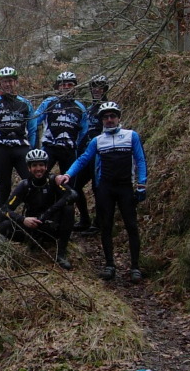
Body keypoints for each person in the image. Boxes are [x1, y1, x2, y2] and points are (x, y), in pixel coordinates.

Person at [56, 102, 147, 283]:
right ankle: (109, 265)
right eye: (106, 117)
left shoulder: (131, 136)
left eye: (112, 116)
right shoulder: (97, 140)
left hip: (125, 187)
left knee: (131, 226)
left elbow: (140, 160)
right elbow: (83, 160)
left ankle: (135, 267)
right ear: (102, 120)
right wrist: (68, 174)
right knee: (106, 226)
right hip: (105, 188)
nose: (110, 120)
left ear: (118, 118)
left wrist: (142, 184)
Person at [0, 149, 77, 270]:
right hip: (32, 226)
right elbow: (4, 210)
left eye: (41, 165)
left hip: (51, 226)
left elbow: (72, 194)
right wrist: (23, 219)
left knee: (69, 209)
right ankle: (33, 242)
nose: (38, 169)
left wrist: (48, 213)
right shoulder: (24, 185)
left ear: (46, 166)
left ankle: (61, 253)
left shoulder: (53, 181)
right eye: (34, 165)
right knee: (4, 225)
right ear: (29, 168)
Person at [33, 71, 88, 225]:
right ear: (58, 87)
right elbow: (35, 122)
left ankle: (83, 219)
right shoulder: (49, 102)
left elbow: (84, 132)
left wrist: (79, 150)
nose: (66, 87)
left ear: (74, 87)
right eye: (63, 84)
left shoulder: (80, 108)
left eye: (69, 84)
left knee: (73, 186)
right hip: (49, 148)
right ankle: (38, 215)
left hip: (69, 150)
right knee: (40, 181)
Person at [0, 67, 36, 208]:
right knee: (4, 188)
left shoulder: (25, 103)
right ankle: (3, 222)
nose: (8, 84)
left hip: (21, 147)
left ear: (15, 82)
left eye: (10, 81)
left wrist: (34, 150)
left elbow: (33, 129)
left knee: (32, 184)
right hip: (1, 149)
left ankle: (32, 218)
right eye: (4, 81)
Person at [72, 74, 110, 233]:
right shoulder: (88, 110)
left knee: (98, 188)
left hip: (101, 156)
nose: (96, 90)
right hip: (86, 154)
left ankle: (99, 223)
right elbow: (83, 133)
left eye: (100, 86)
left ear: (106, 89)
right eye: (94, 86)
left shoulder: (108, 108)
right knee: (75, 185)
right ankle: (85, 219)